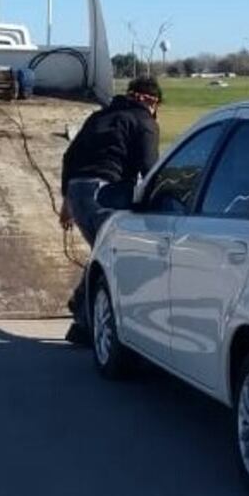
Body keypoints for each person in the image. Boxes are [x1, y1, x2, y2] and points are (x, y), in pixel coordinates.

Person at [59, 76, 162, 344]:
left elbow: (69, 157)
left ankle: (81, 316)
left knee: (102, 253)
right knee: (110, 257)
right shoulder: (144, 121)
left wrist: (67, 202)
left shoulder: (98, 117)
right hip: (106, 194)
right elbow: (150, 168)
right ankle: (84, 318)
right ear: (151, 102)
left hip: (77, 191)